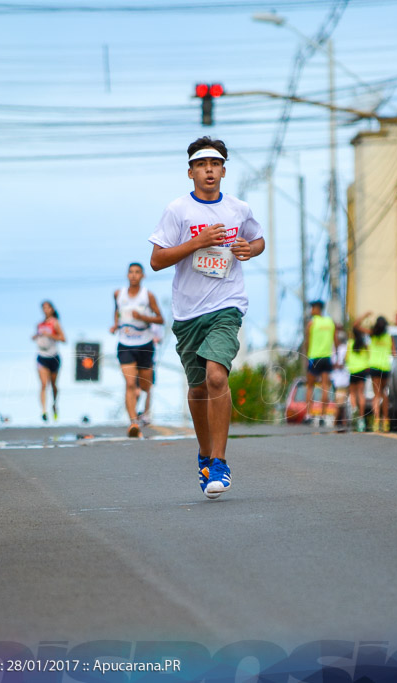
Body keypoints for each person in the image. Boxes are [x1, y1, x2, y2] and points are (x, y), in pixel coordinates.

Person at [149, 136, 264, 499]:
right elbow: (157, 260)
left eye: (215, 164)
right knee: (198, 387)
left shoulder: (238, 209)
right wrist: (196, 243)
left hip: (227, 305)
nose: (209, 170)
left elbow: (257, 240)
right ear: (190, 172)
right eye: (202, 165)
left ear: (224, 171)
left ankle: (219, 461)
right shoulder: (178, 211)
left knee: (217, 377)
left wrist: (249, 249)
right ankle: (203, 452)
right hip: (188, 312)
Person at [110, 263, 163, 437]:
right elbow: (117, 311)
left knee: (146, 386)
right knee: (130, 383)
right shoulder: (119, 294)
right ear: (127, 275)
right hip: (125, 344)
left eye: (137, 272)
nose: (133, 275)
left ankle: (142, 412)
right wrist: (116, 325)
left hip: (145, 344)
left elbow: (160, 319)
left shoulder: (147, 296)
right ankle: (133, 422)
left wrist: (142, 317)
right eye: (131, 272)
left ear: (143, 276)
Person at [358, 313, 393, 432]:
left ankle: (376, 420)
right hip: (385, 367)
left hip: (374, 367)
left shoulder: (372, 335)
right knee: (384, 393)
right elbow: (393, 352)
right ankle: (386, 420)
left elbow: (356, 326)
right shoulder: (389, 337)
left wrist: (365, 315)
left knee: (376, 395)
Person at [304, 300, 336, 426]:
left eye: (312, 308)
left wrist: (307, 356)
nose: (311, 310)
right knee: (325, 387)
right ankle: (322, 415)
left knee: (310, 386)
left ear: (317, 309)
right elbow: (336, 340)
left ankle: (308, 414)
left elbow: (307, 341)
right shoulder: (330, 322)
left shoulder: (312, 323)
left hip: (314, 357)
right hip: (327, 358)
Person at [34, 300, 66, 422]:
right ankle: (44, 411)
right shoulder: (40, 324)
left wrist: (50, 335)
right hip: (41, 356)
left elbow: (63, 338)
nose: (45, 310)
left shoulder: (55, 323)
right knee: (43, 384)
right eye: (44, 308)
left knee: (53, 385)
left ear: (52, 309)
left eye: (47, 308)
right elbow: (37, 336)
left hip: (53, 357)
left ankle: (54, 405)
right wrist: (36, 336)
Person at [345, 325, 370, 432]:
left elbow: (346, 358)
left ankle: (354, 410)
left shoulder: (350, 343)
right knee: (361, 394)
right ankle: (361, 418)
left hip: (353, 370)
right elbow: (369, 356)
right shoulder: (364, 345)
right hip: (362, 371)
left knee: (352, 393)